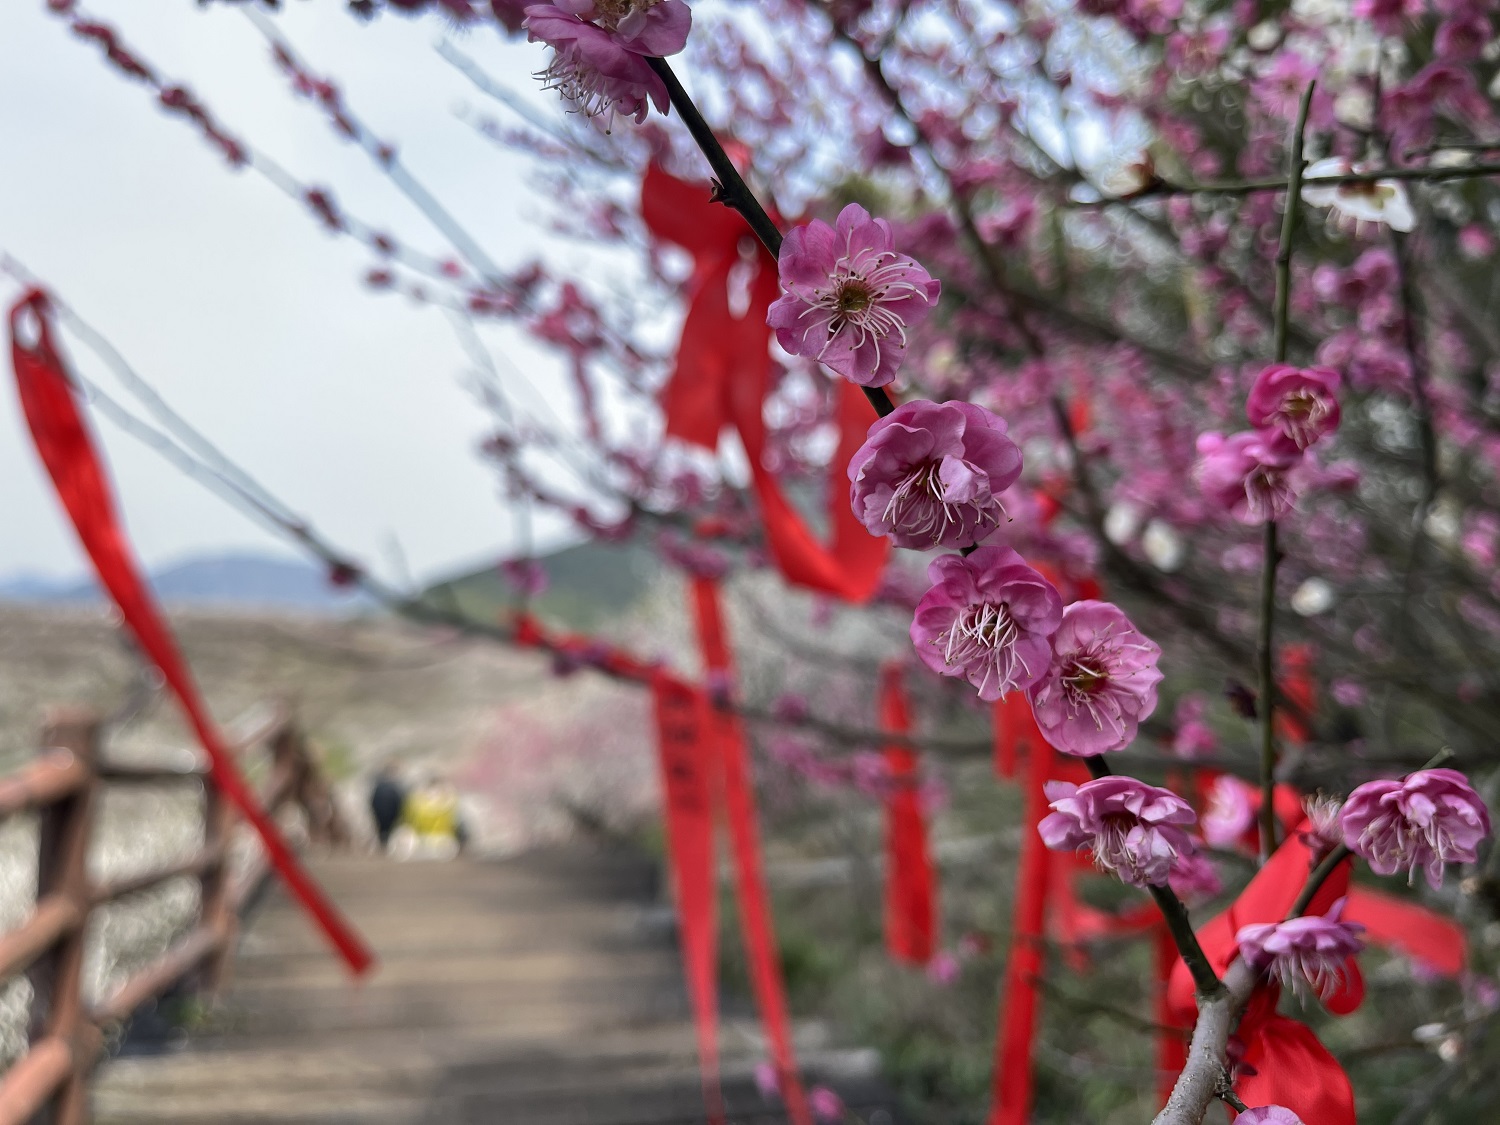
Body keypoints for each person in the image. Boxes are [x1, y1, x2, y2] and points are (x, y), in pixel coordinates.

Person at [369, 764, 406, 852]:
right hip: (391, 816)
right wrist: (398, 815)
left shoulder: (379, 786)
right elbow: (399, 801)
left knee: (382, 833)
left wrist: (375, 813)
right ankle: (386, 849)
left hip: (380, 815)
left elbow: (372, 801)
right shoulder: (395, 787)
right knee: (389, 833)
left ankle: (383, 848)